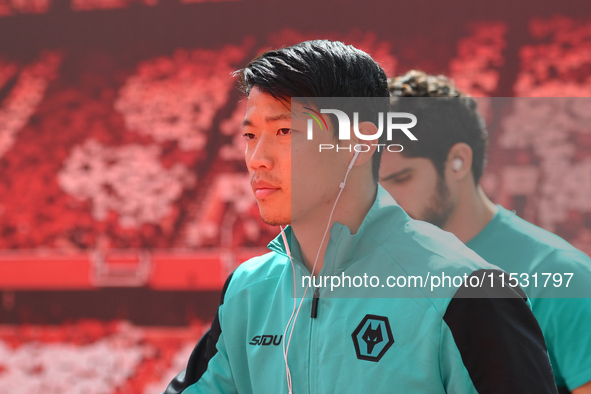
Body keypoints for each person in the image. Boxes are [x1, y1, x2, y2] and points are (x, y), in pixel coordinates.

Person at [164, 41, 557, 394]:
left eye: (285, 130)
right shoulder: (248, 291)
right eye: (250, 136)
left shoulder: (466, 291)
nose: (256, 159)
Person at [380, 70, 591, 394]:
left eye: (401, 178)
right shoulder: (381, 270)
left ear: (458, 161)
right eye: (374, 185)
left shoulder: (560, 275)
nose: (384, 200)